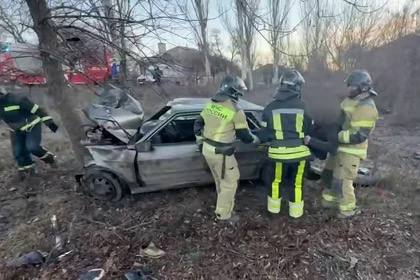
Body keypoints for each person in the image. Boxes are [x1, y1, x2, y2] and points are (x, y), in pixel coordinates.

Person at [305, 69, 379, 218]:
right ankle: (329, 202)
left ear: (362, 87)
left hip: (351, 151)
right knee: (330, 175)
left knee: (344, 181)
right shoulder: (349, 101)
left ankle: (347, 211)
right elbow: (339, 120)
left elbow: (360, 136)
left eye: (352, 86)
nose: (349, 89)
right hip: (339, 148)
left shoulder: (366, 107)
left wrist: (336, 136)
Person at [194, 76, 259, 221]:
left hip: (207, 149)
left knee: (219, 180)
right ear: (233, 92)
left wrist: (200, 142)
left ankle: (222, 204)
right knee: (230, 183)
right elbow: (245, 136)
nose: (239, 96)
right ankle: (223, 215)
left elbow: (197, 124)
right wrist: (256, 138)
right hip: (222, 154)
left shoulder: (210, 104)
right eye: (238, 93)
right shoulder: (235, 110)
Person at [256, 69, 313, 219]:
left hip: (277, 154)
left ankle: (273, 213)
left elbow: (264, 134)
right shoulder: (304, 106)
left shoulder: (270, 107)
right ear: (297, 87)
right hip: (300, 153)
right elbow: (309, 129)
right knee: (298, 183)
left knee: (275, 182)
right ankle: (296, 215)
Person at [0, 85, 59, 180]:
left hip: (31, 126)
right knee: (18, 153)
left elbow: (38, 110)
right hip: (16, 130)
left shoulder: (17, 100)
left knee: (32, 147)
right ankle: (28, 173)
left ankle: (50, 159)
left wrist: (50, 123)